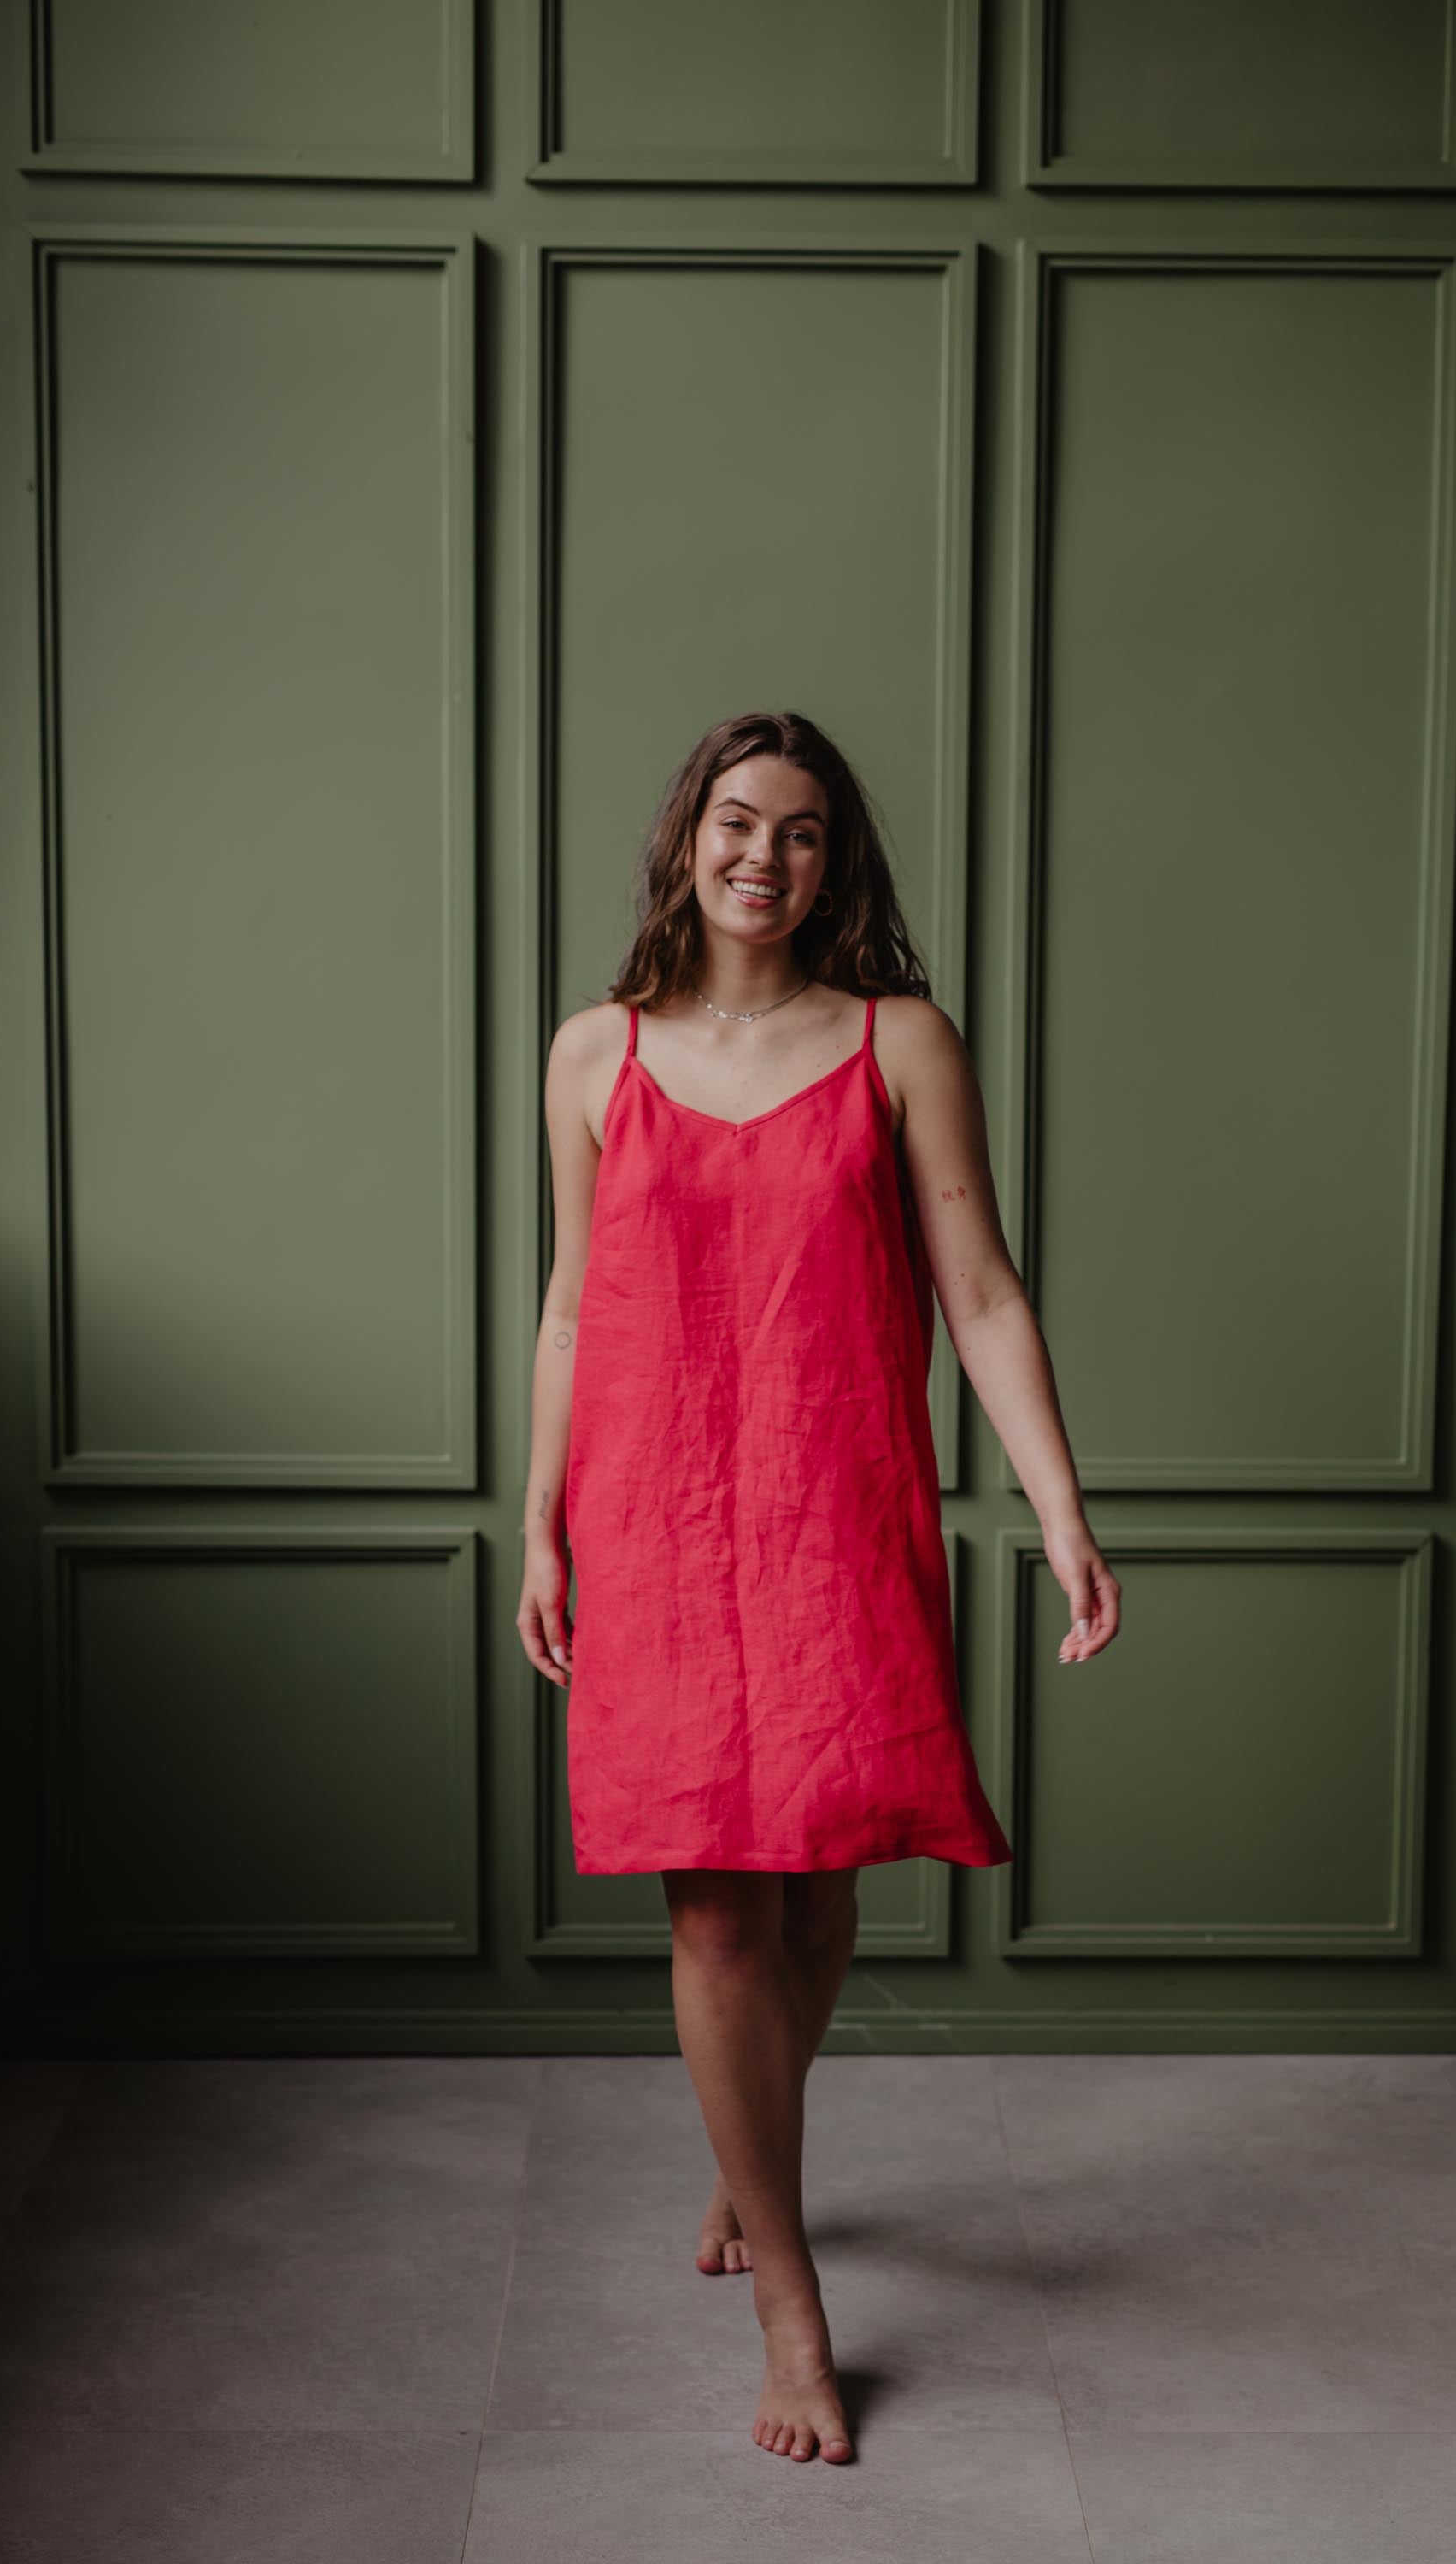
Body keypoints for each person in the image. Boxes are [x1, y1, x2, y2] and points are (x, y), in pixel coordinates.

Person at [517, 709, 1119, 2466]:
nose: (761, 856)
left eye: (797, 830)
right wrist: (538, 1519)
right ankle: (791, 2300)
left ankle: (747, 2146)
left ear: (832, 859)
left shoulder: (898, 1040)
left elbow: (981, 1292)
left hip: (835, 1514)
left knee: (824, 1896)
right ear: (683, 839)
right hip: (650, 1522)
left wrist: (1062, 1510)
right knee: (717, 1914)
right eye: (734, 820)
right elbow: (571, 1307)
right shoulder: (591, 1054)